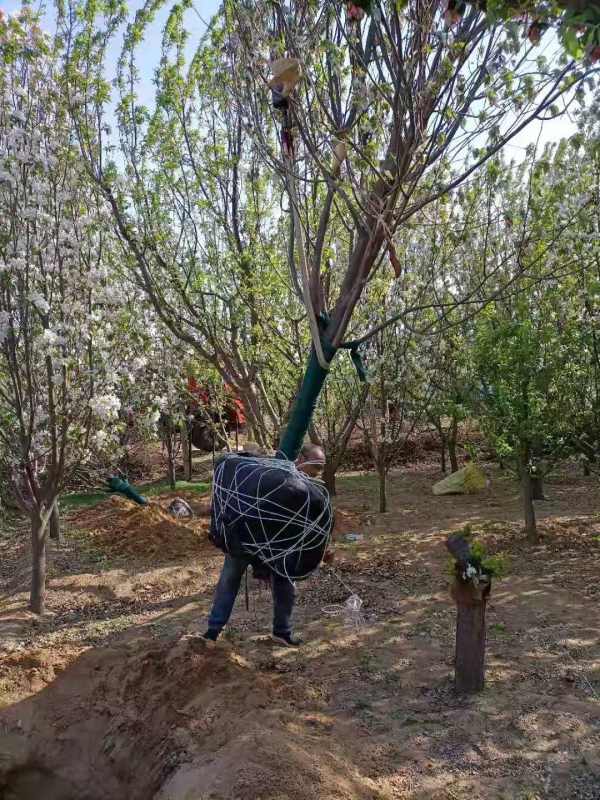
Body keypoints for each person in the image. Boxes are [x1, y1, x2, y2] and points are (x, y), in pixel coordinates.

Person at [203, 443, 326, 647]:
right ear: (302, 459)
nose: (316, 475)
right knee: (229, 579)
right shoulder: (274, 474)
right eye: (315, 469)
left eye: (319, 471)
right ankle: (213, 631)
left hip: (276, 546)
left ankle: (282, 631)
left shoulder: (307, 490)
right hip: (244, 538)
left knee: (285, 584)